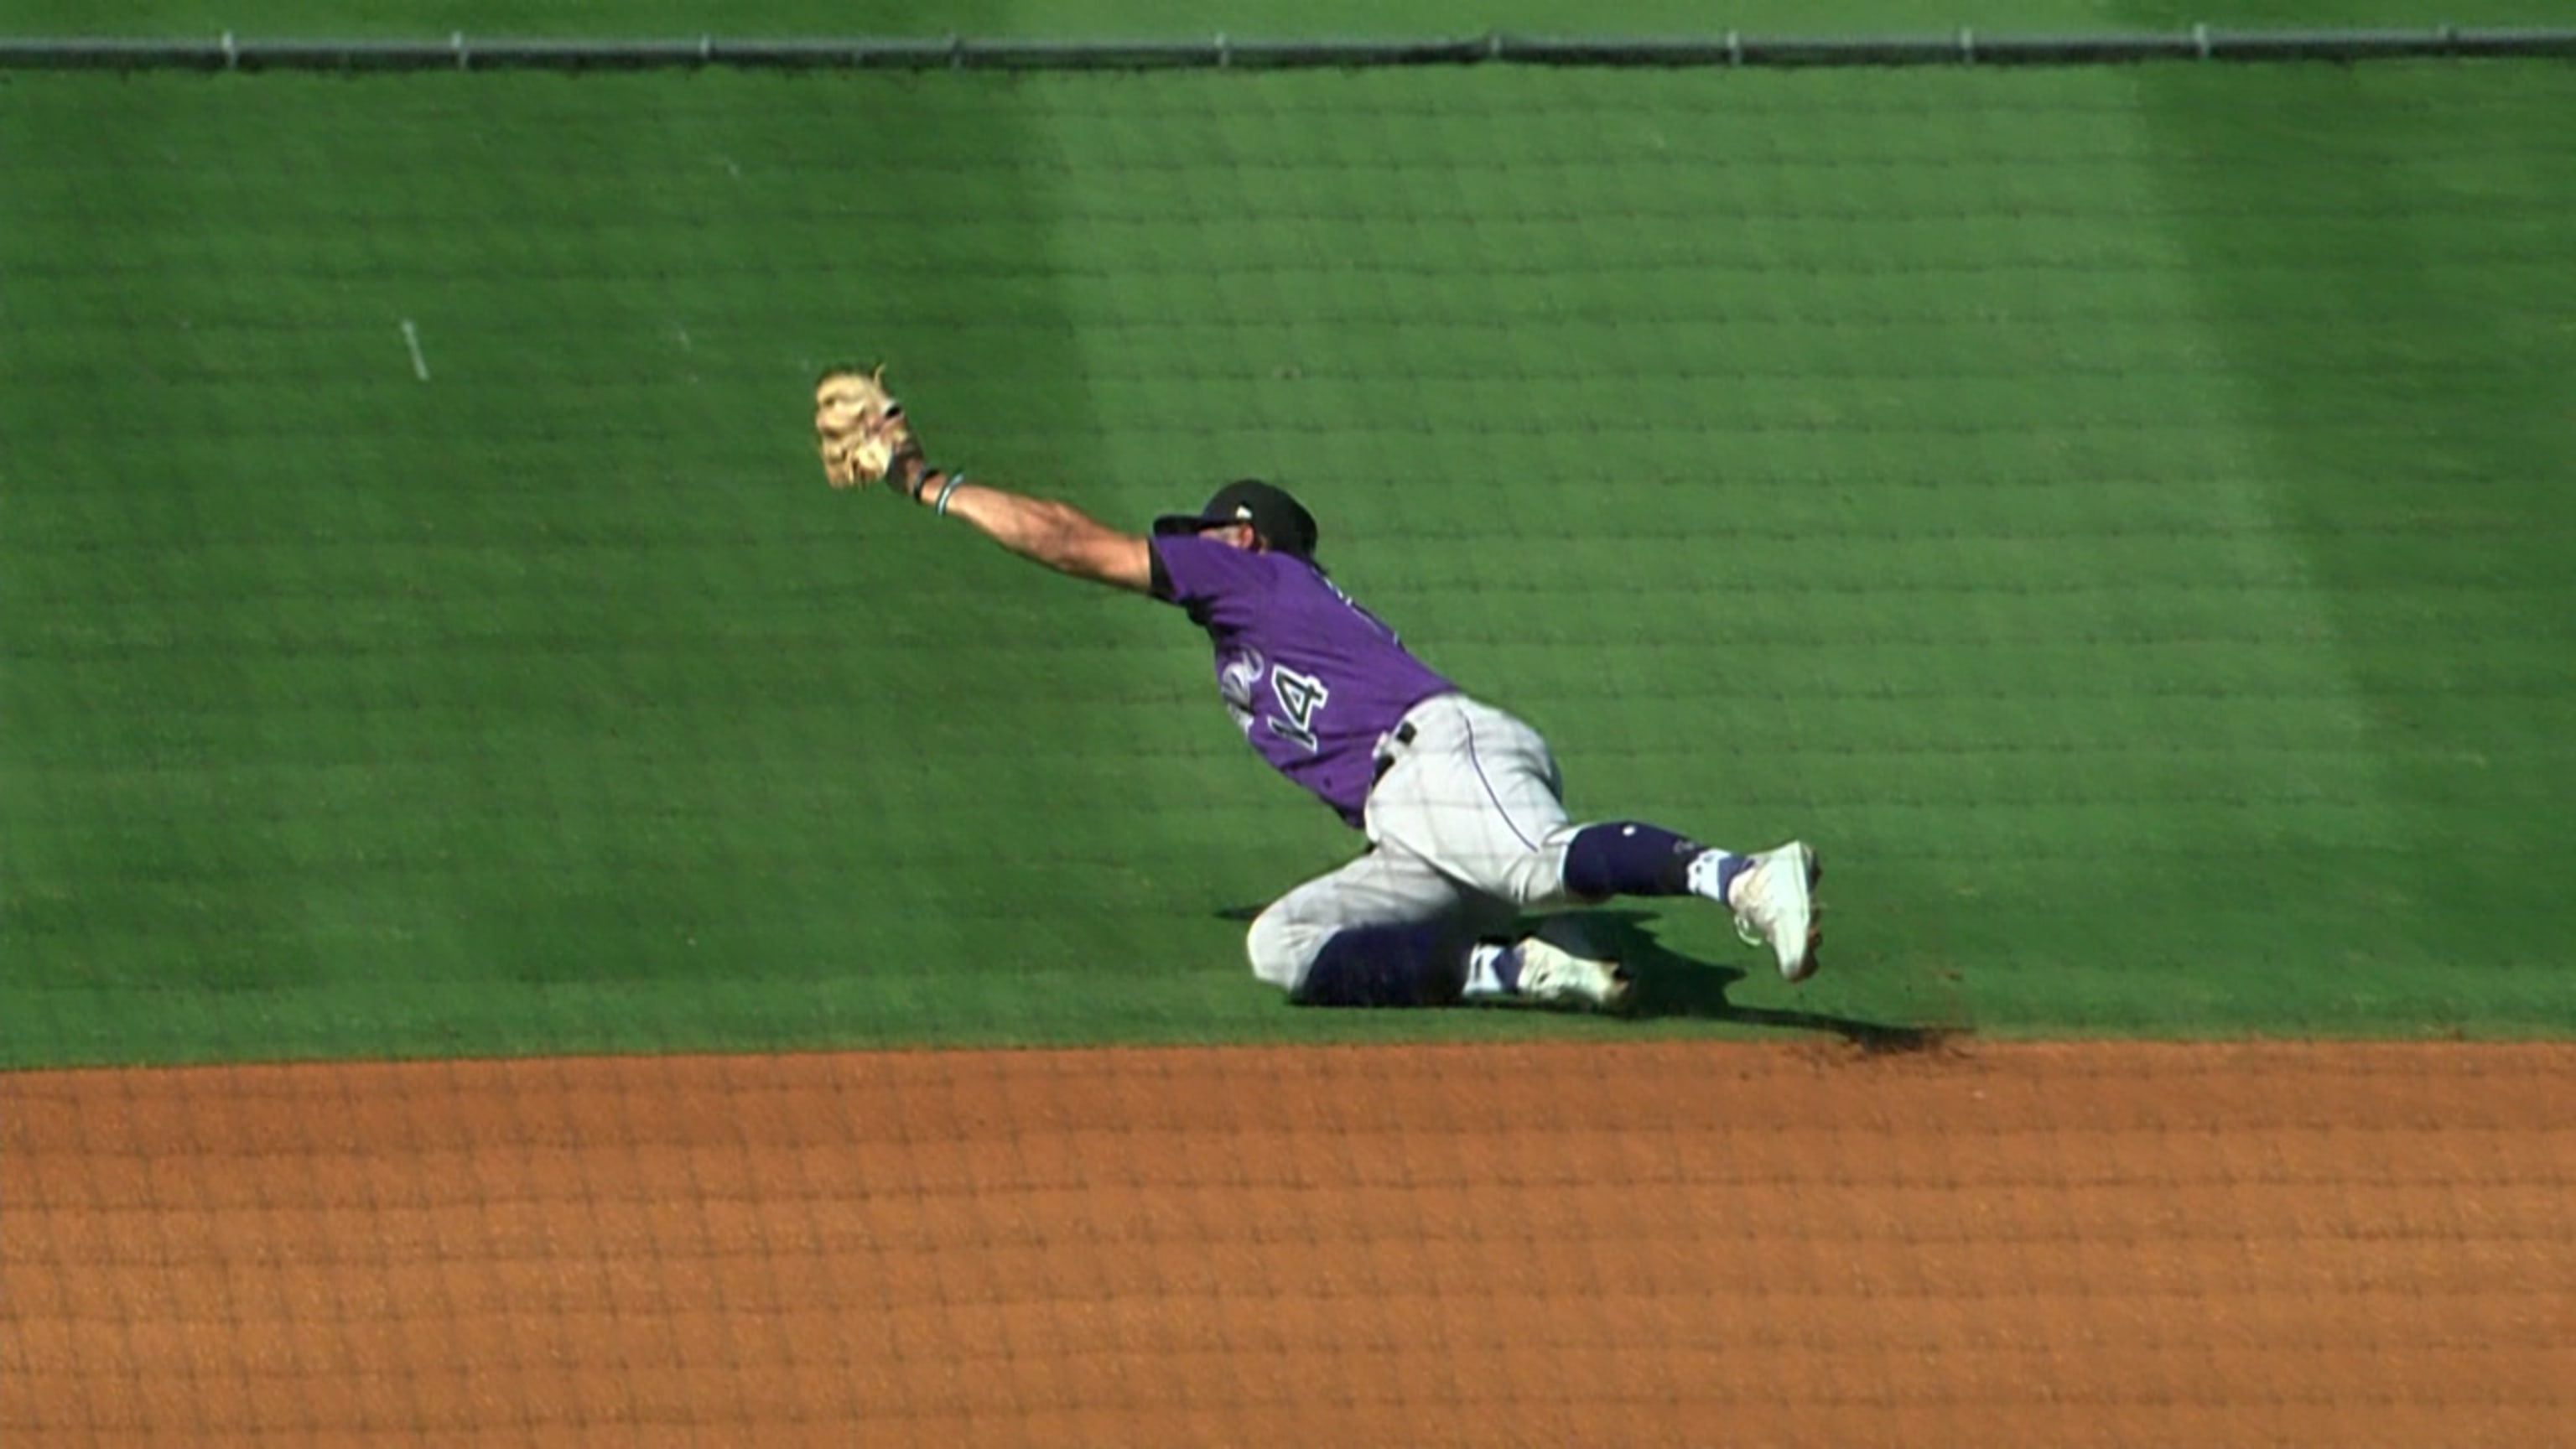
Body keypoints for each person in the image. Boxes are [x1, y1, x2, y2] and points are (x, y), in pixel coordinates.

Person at [813, 371, 1820, 1010]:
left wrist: (924, 482)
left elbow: (1072, 542)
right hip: (1413, 816)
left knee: (1535, 868)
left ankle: (1741, 877)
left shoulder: (1248, 573)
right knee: (1283, 946)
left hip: (1440, 757)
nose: (1186, 544)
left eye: (1204, 529)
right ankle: (1519, 969)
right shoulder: (1244, 624)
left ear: (1243, 537)